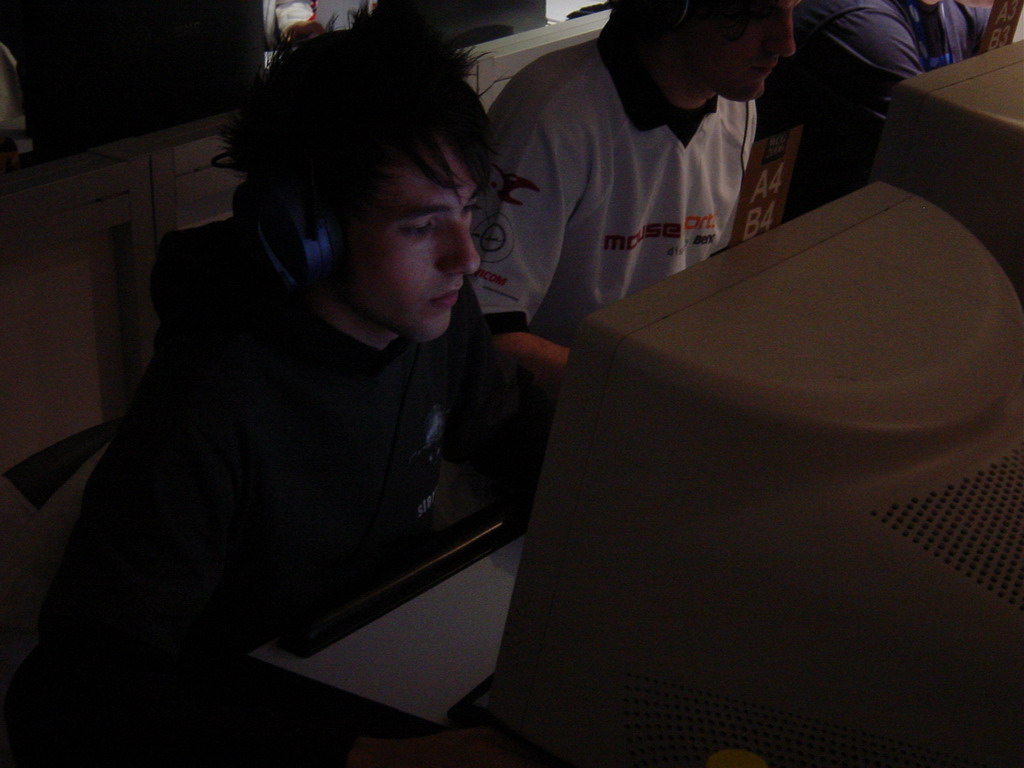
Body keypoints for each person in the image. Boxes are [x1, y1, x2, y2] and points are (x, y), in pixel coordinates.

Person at [4, 3, 550, 765]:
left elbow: (506, 431)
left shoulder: (433, 318)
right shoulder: (206, 408)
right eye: (421, 226)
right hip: (252, 721)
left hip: (365, 648)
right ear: (306, 231)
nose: (466, 257)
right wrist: (374, 760)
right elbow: (73, 701)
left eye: (466, 211)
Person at [469, 0, 798, 396]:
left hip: (643, 381)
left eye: (793, 9)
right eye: (757, 11)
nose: (786, 43)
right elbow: (484, 338)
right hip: (561, 406)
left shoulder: (734, 104)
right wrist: (656, 392)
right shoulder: (554, 112)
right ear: (670, 8)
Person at [756, 0, 991, 220]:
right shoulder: (862, 22)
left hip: (882, 221)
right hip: (819, 234)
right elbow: (941, 166)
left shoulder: (959, 11)